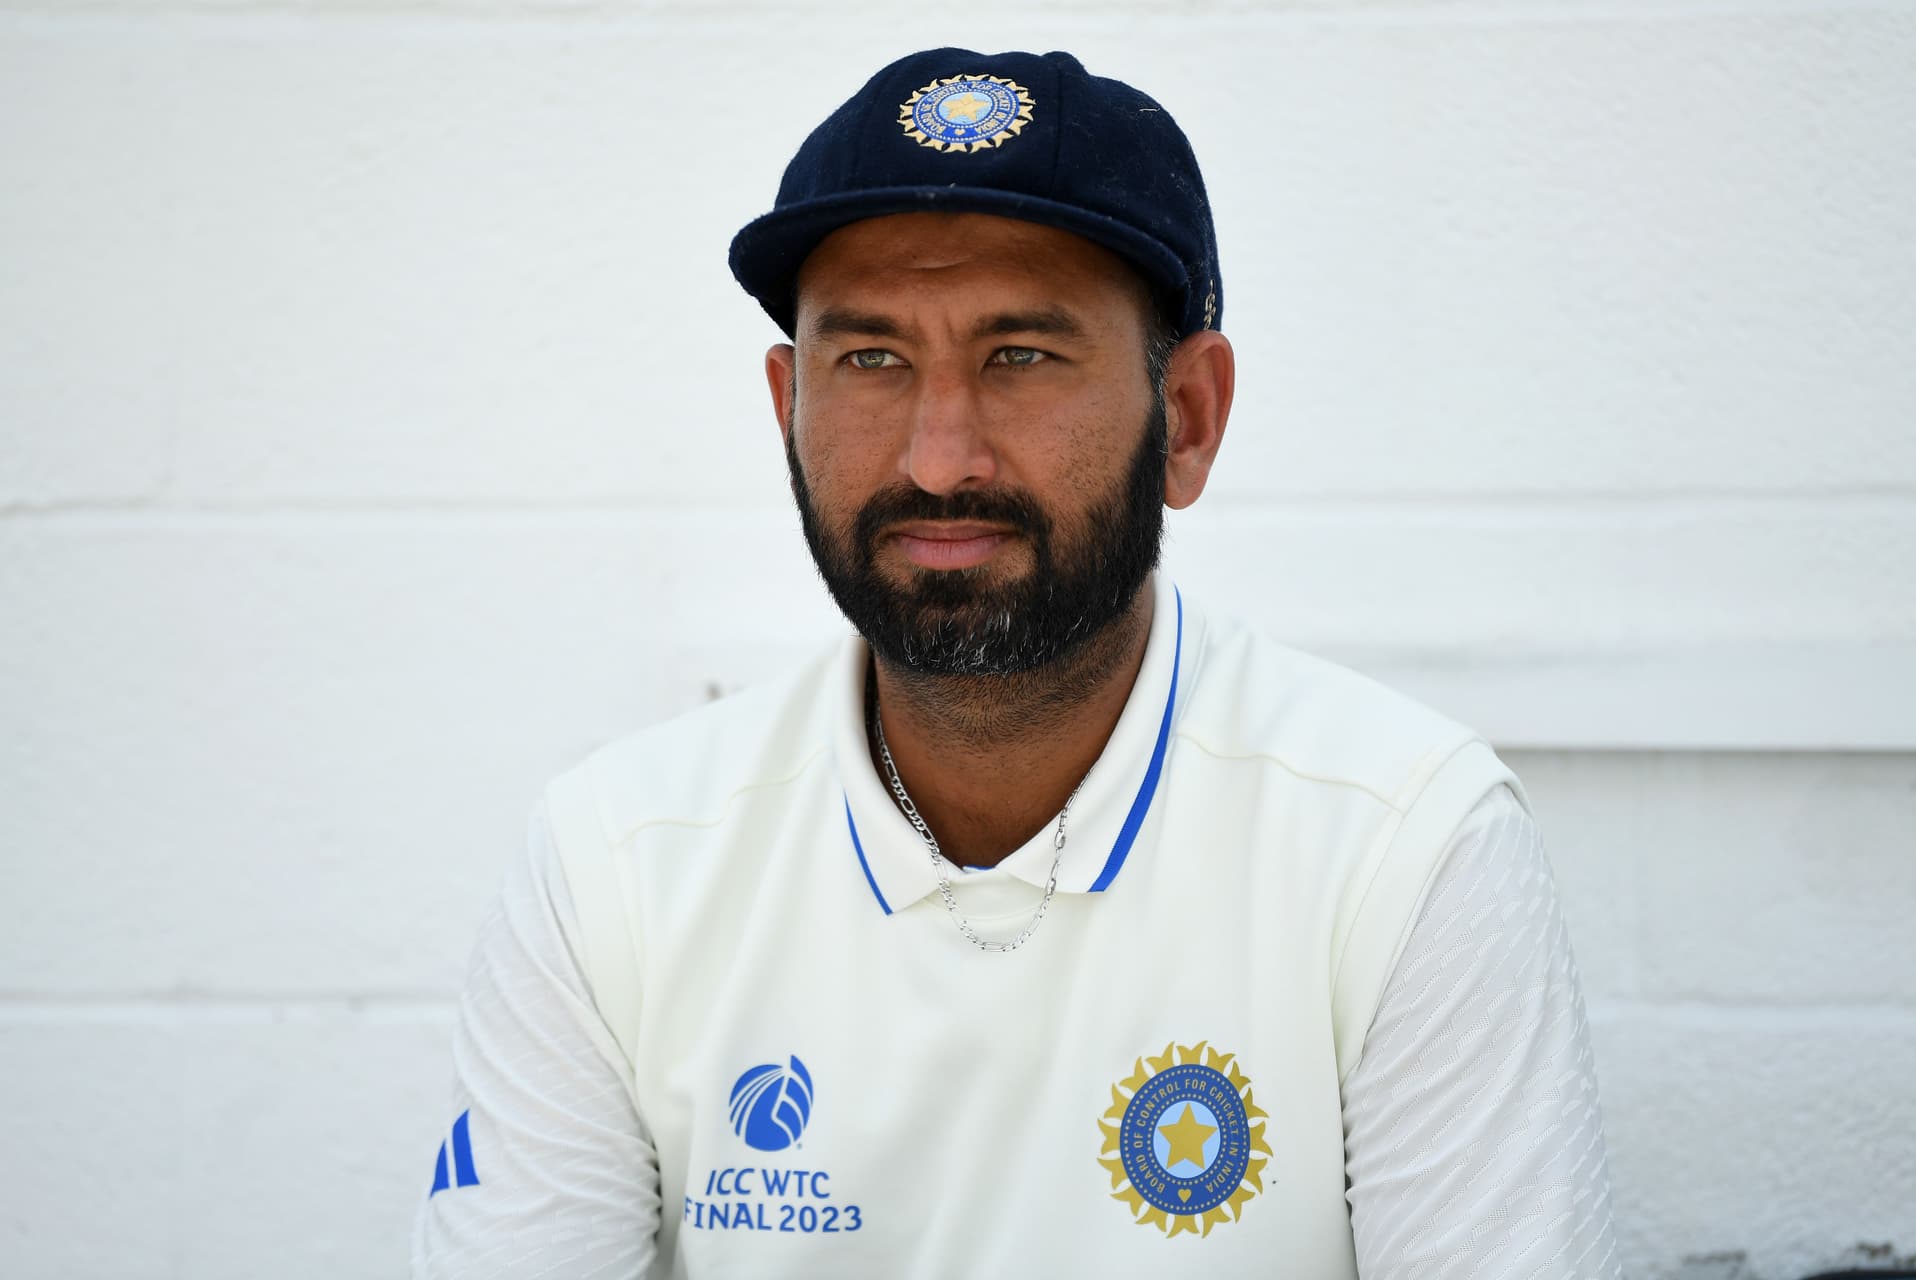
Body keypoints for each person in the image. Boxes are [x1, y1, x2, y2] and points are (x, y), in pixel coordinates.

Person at [413, 46, 1622, 1279]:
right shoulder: (614, 861)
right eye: (872, 358)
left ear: (1188, 420)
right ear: (788, 404)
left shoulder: (1402, 846)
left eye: (1022, 356)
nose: (940, 457)